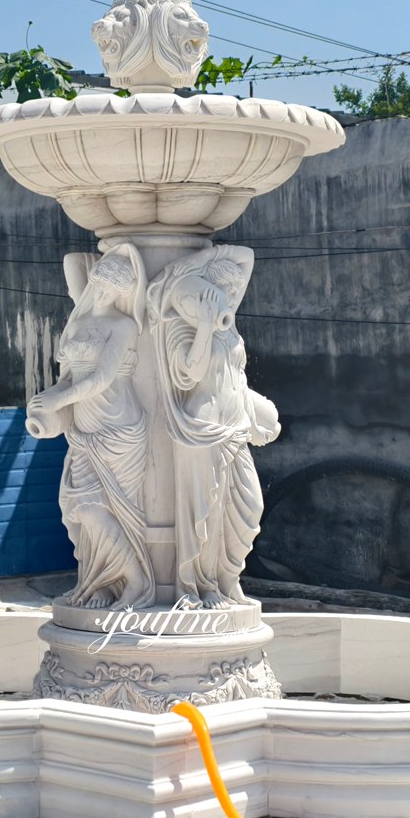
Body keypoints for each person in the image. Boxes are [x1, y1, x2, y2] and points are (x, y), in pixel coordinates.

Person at [148, 245, 280, 610]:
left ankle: (227, 576)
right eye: (228, 290)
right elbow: (190, 374)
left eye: (235, 290)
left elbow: (246, 257)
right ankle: (200, 586)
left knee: (248, 508)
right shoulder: (177, 327)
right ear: (208, 291)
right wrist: (204, 324)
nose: (234, 295)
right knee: (204, 513)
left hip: (234, 426)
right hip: (201, 427)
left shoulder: (228, 323)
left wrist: (259, 411)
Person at [26, 244, 155, 610]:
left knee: (102, 508)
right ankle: (100, 584)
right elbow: (69, 378)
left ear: (122, 293)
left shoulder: (124, 325)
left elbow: (101, 378)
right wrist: (46, 399)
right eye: (99, 283)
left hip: (119, 426)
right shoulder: (79, 324)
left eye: (110, 289)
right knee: (78, 508)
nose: (101, 293)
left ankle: (135, 581)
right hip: (84, 428)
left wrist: (60, 400)